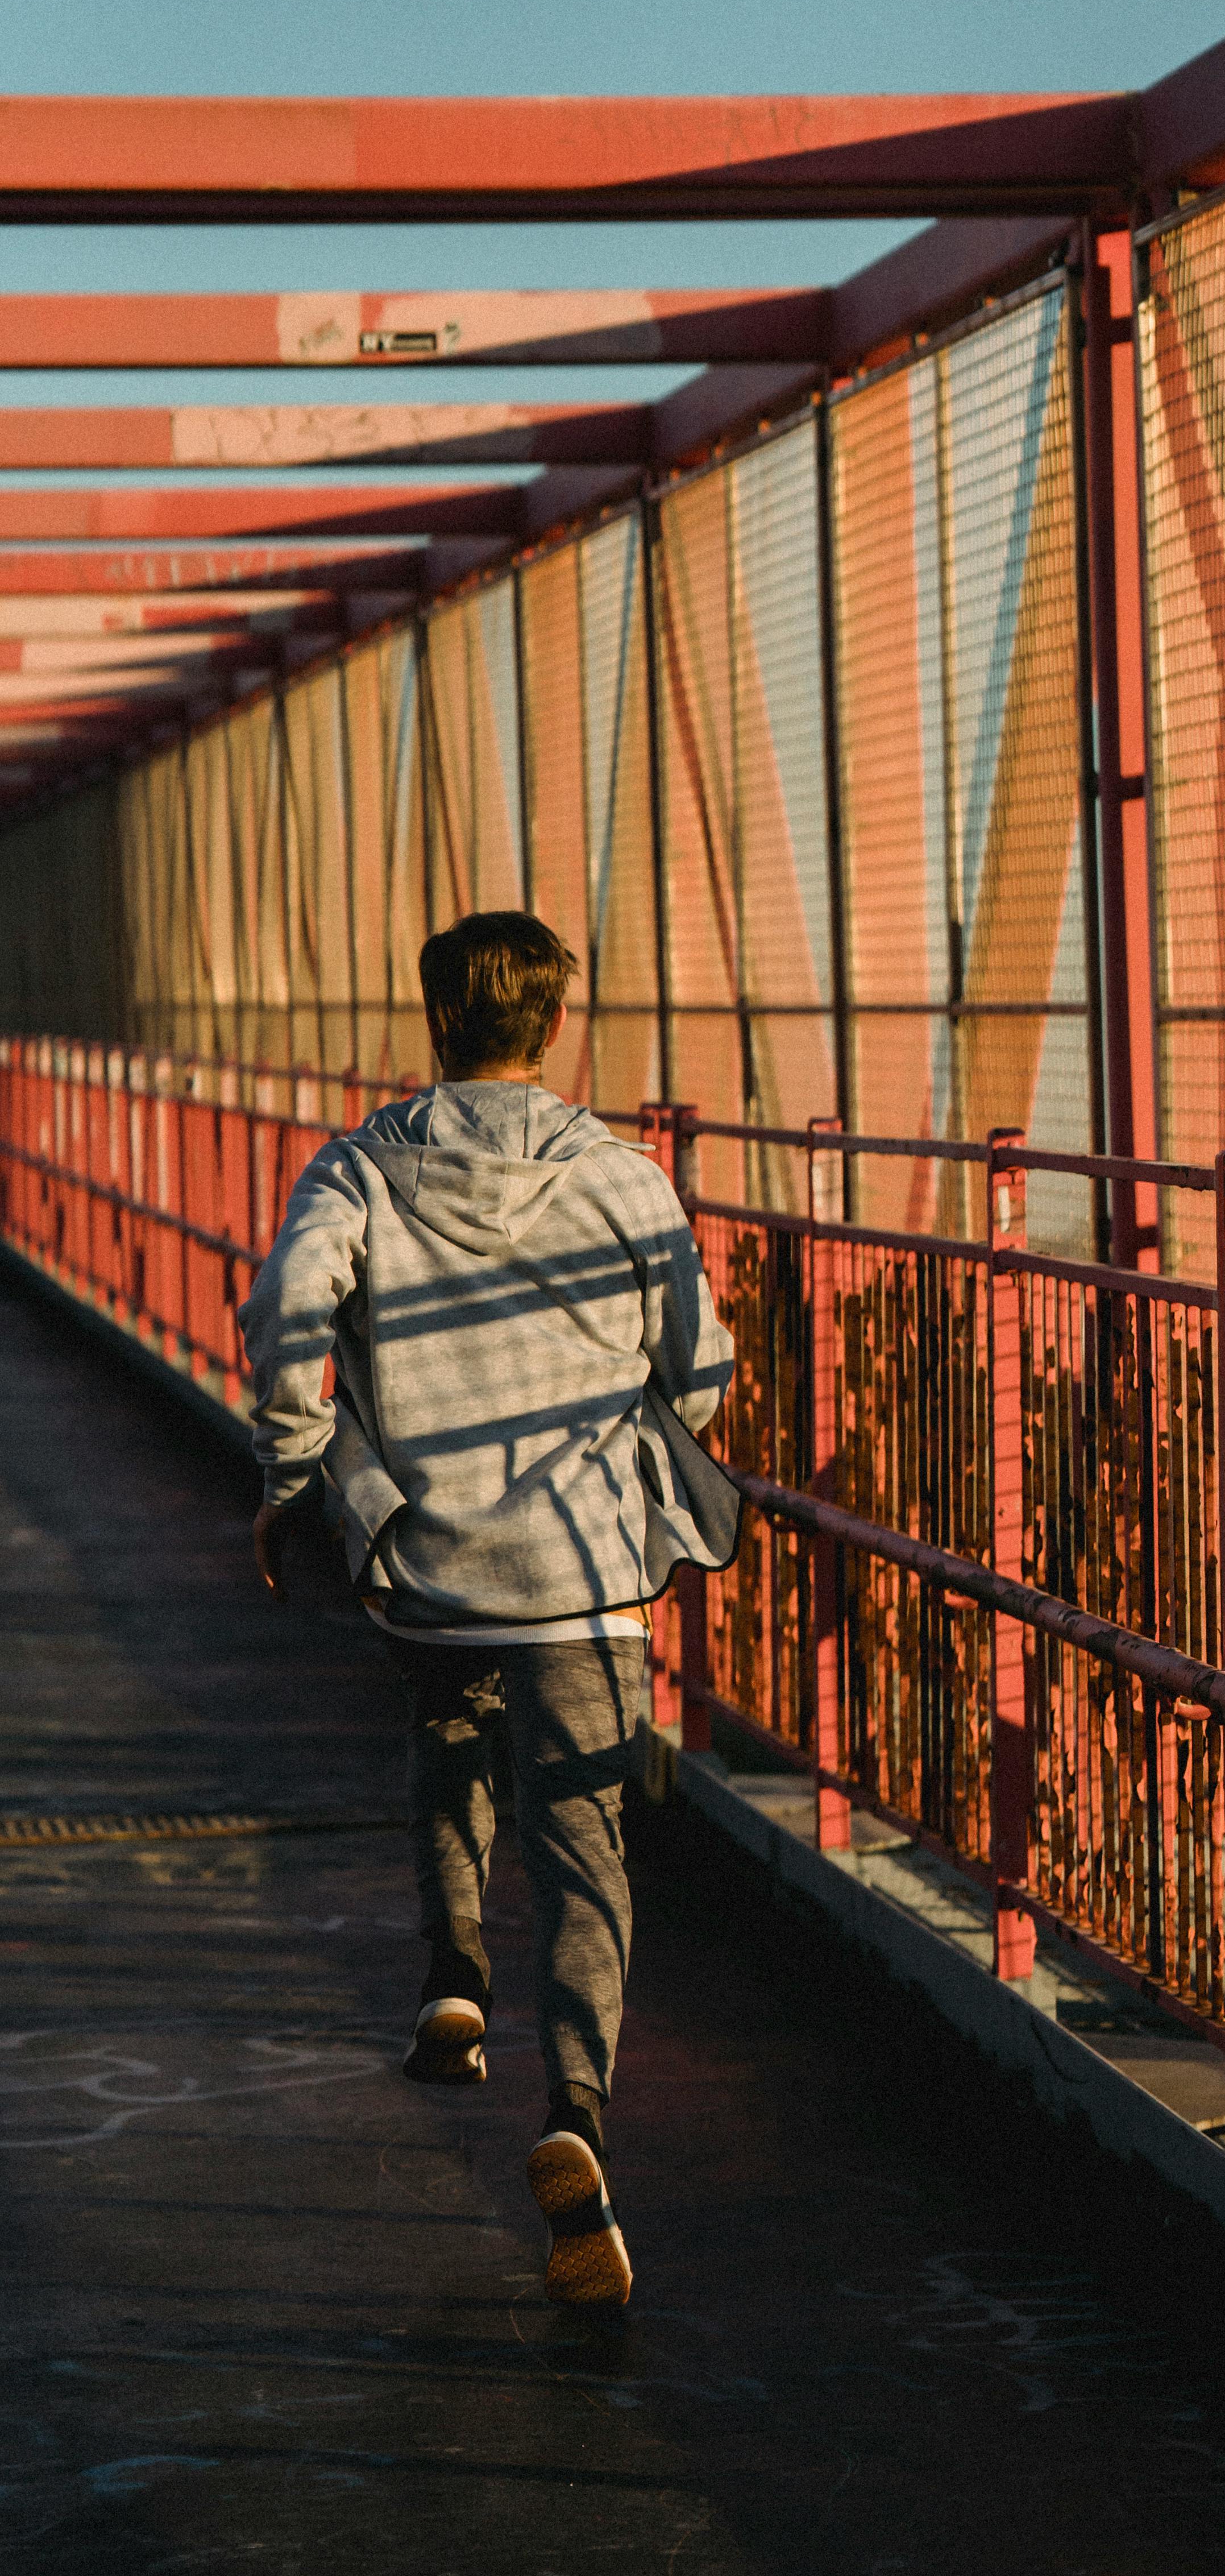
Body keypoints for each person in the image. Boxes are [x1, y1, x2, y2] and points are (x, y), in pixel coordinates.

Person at [239, 911, 732, 2310]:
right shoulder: (624, 1176)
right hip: (584, 1575)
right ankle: (575, 2112)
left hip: (430, 1564)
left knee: (446, 1725)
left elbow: (284, 1314)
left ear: (435, 1020)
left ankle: (455, 1968)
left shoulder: (358, 1166)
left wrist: (292, 1472)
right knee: (585, 1849)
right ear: (555, 1024)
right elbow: (699, 1375)